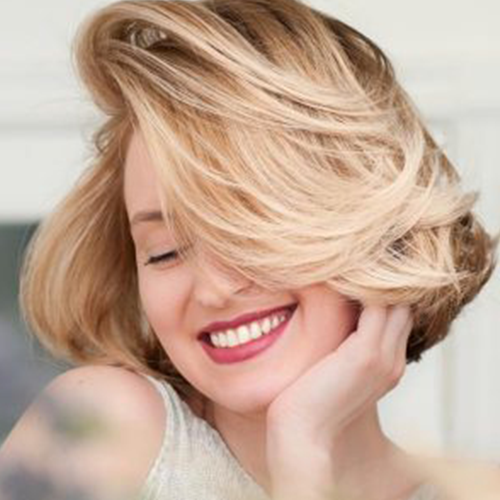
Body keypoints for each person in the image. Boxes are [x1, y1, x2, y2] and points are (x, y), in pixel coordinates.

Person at [0, 0, 497, 499]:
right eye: (165, 251)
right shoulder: (103, 431)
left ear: (370, 228)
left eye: (246, 229)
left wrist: (302, 445)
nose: (213, 290)